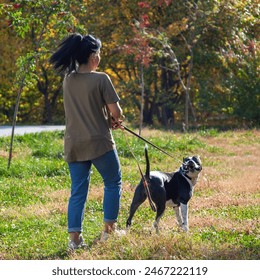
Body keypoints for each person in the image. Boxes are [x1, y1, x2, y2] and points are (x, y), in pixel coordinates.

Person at [50, 33, 124, 250]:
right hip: (99, 143)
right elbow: (116, 112)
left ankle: (74, 240)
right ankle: (109, 233)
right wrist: (114, 119)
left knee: (78, 191)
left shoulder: (68, 79)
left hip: (74, 143)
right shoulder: (101, 79)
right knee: (113, 183)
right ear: (93, 56)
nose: (99, 58)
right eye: (99, 54)